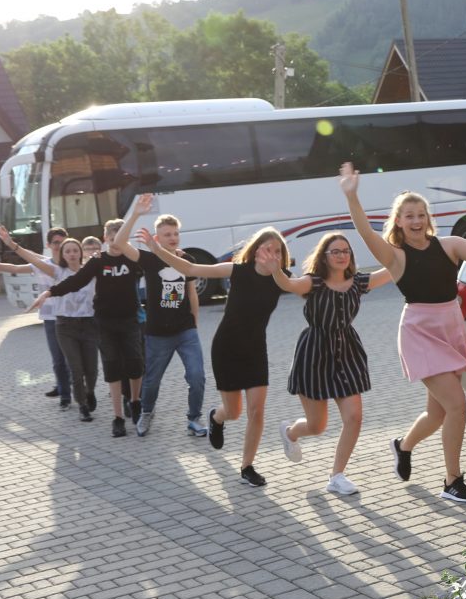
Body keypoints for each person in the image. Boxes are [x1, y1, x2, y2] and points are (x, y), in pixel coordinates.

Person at [341, 162, 466, 504]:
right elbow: (365, 233)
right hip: (420, 333)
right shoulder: (395, 256)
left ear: (428, 217)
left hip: (451, 327)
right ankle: (452, 481)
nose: (416, 220)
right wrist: (352, 197)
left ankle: (403, 445)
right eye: (408, 215)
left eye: (421, 214)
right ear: (398, 221)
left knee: (437, 413)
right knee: (457, 406)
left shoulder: (450, 245)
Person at [142, 223, 290, 487]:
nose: (272, 255)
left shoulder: (282, 277)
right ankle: (216, 417)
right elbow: (190, 269)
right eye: (267, 249)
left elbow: (300, 286)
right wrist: (156, 249)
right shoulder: (237, 270)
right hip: (226, 348)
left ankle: (247, 467)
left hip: (256, 349)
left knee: (257, 411)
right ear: (256, 251)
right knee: (233, 412)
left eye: (277, 251)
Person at [272, 231, 393, 495]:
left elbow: (394, 269)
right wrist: (275, 269)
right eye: (335, 251)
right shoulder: (312, 282)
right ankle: (291, 433)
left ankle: (336, 476)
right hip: (314, 355)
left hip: (347, 352)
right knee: (317, 426)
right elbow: (288, 284)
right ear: (324, 257)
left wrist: (406, 251)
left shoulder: (358, 282)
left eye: (346, 251)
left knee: (354, 417)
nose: (341, 256)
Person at [112, 195, 207, 438]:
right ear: (157, 238)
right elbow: (120, 242)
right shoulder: (149, 259)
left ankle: (194, 418)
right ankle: (146, 412)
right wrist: (135, 214)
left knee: (197, 376)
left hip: (186, 331)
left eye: (175, 233)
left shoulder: (186, 259)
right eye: (167, 234)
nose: (173, 238)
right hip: (157, 334)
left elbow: (191, 293)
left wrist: (194, 324)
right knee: (152, 381)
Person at [44, 220, 145, 437]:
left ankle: (135, 402)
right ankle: (118, 417)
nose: (116, 244)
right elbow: (77, 281)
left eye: (121, 240)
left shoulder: (133, 258)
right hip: (105, 323)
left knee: (135, 364)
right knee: (112, 367)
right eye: (112, 239)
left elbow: (158, 270)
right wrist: (51, 292)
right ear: (105, 238)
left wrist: (174, 255)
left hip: (130, 321)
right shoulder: (98, 260)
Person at [0, 227, 71, 408]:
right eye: (56, 243)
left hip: (71, 318)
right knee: (58, 359)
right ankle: (65, 394)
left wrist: (11, 244)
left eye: (62, 242)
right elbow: (15, 268)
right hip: (51, 319)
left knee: (71, 358)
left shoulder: (73, 264)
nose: (59, 246)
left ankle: (68, 387)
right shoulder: (42, 264)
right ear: (49, 245)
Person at [12, 235, 100, 422]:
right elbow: (33, 259)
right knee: (76, 369)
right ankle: (82, 406)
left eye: (75, 250)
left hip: (88, 325)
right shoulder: (57, 271)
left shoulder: (90, 271)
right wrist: (12, 244)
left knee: (91, 370)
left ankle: (90, 391)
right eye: (67, 251)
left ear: (80, 252)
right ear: (62, 254)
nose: (72, 254)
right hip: (65, 326)